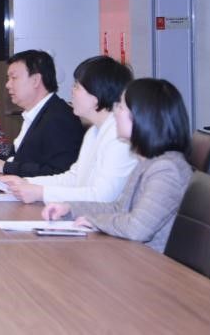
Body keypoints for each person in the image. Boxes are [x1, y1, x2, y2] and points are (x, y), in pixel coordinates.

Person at [43, 78, 192, 252]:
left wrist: (94, 221)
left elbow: (137, 228)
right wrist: (70, 208)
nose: (114, 113)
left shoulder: (166, 169)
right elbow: (119, 208)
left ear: (142, 116)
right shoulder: (148, 161)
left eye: (120, 107)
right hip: (131, 254)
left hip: (150, 263)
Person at [1, 56, 137, 203]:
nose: (72, 91)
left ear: (96, 94)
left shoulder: (119, 137)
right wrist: (26, 182)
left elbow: (102, 197)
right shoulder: (94, 132)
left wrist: (41, 193)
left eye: (77, 86)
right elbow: (74, 178)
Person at [0, 50, 84, 176]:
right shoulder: (35, 113)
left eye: (14, 78)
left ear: (35, 80)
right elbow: (21, 160)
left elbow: (59, 172)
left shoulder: (59, 118)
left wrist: (5, 167)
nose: (8, 85)